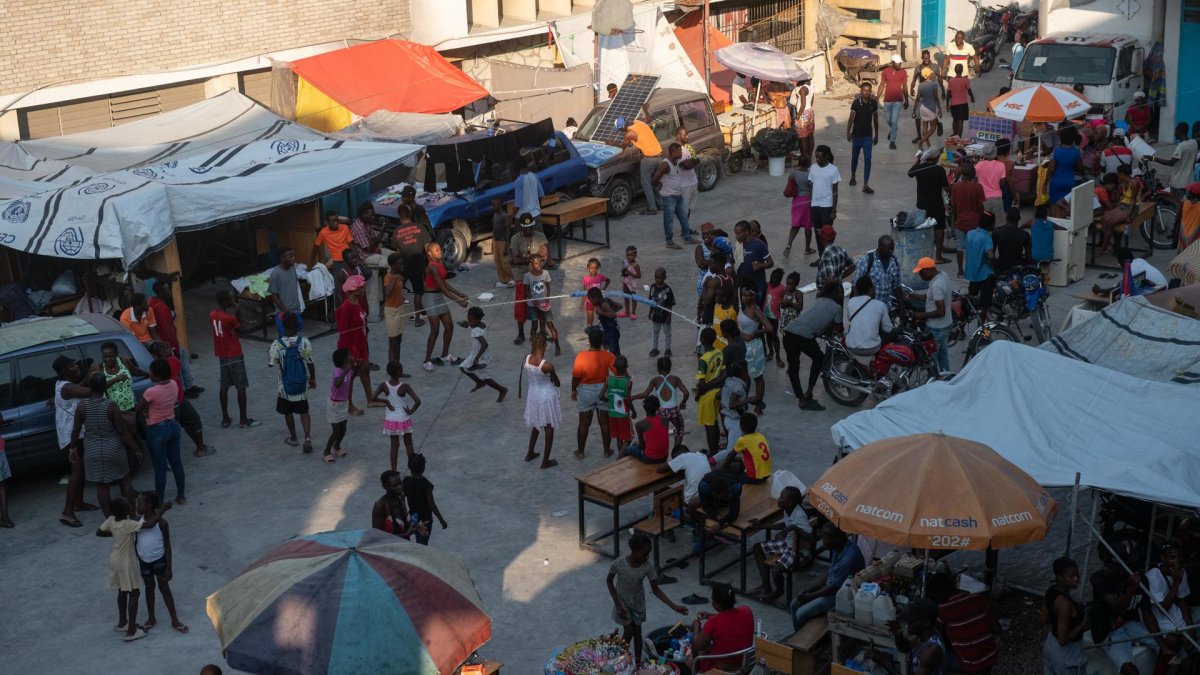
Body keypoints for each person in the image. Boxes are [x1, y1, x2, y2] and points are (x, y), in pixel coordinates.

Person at [96, 496, 171, 643]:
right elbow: (149, 524)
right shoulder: (128, 524)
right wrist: (163, 509)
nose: (131, 505)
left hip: (115, 560)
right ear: (125, 511)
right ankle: (131, 631)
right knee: (134, 593)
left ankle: (122, 623)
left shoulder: (111, 520)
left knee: (122, 590)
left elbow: (98, 532)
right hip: (126, 562)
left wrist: (116, 533)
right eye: (128, 504)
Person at [608, 532, 688, 663]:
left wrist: (674, 606)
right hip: (622, 603)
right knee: (628, 632)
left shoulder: (647, 566)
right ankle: (620, 659)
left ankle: (638, 662)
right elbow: (609, 581)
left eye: (648, 553)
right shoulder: (619, 564)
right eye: (644, 554)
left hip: (638, 603)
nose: (647, 557)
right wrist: (617, 604)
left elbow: (656, 590)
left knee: (637, 633)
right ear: (633, 551)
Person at [72, 372, 137, 516]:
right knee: (125, 481)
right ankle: (132, 515)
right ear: (104, 387)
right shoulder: (111, 406)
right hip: (114, 448)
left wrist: (72, 449)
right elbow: (122, 431)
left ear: (90, 387)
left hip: (92, 451)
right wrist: (136, 448)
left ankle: (110, 521)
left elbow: (76, 431)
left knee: (101, 486)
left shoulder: (82, 407)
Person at [1090, 540, 1157, 675]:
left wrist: (1165, 646)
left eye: (1109, 565)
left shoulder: (1138, 578)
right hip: (1108, 632)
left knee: (1170, 645)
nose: (1104, 568)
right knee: (1130, 671)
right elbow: (1116, 606)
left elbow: (1147, 612)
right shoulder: (1098, 579)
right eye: (1104, 564)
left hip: (1130, 624)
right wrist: (1130, 591)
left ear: (1121, 567)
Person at [790, 524, 865, 630]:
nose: (823, 542)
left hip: (841, 597)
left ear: (836, 539)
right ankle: (797, 635)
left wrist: (810, 596)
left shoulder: (848, 559)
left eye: (826, 538)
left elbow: (833, 588)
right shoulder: (837, 547)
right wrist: (808, 590)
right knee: (794, 604)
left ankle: (802, 641)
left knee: (800, 614)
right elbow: (829, 572)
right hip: (831, 590)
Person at [784, 280, 842, 411]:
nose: (840, 294)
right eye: (839, 292)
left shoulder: (819, 301)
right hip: (803, 336)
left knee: (793, 367)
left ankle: (802, 399)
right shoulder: (837, 308)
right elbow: (839, 329)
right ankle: (809, 391)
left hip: (789, 331)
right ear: (835, 293)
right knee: (819, 358)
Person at [148, 341, 212, 459]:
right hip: (177, 400)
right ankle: (200, 447)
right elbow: (177, 363)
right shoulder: (173, 361)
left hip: (172, 401)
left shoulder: (157, 366)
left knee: (181, 426)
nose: (168, 349)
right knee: (193, 421)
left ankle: (199, 447)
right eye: (165, 348)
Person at [134, 491, 186, 635]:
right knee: (149, 589)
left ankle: (174, 619)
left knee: (164, 588)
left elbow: (168, 546)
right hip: (144, 560)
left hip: (159, 560)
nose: (136, 506)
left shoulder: (162, 523)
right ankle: (151, 618)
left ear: (149, 505)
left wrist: (169, 568)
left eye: (140, 504)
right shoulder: (138, 521)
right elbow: (147, 528)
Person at [750, 486, 813, 602]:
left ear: (790, 502)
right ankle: (765, 585)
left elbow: (810, 537)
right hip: (787, 544)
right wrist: (762, 526)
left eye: (782, 498)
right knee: (757, 548)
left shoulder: (799, 515)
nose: (779, 499)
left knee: (776, 570)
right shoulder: (788, 510)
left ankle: (779, 591)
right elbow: (785, 524)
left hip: (796, 550)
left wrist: (793, 527)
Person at [136, 359, 186, 504]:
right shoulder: (174, 384)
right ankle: (181, 495)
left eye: (151, 371)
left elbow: (139, 408)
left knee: (160, 468)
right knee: (176, 463)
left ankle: (159, 501)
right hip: (172, 425)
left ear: (156, 375)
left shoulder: (151, 391)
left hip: (157, 428)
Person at [54, 357, 96, 528]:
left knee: (80, 471)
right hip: (73, 436)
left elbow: (80, 386)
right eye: (73, 365)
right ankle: (67, 512)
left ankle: (78, 503)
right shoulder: (67, 387)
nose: (77, 366)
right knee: (76, 473)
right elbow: (90, 391)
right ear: (66, 371)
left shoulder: (62, 384)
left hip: (74, 434)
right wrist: (105, 377)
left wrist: (88, 374)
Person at [269, 312, 316, 453]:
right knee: (304, 411)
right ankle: (307, 438)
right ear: (297, 325)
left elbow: (272, 363)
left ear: (282, 326)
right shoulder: (304, 342)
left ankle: (294, 438)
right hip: (301, 383)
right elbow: (310, 362)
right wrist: (312, 378)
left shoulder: (277, 344)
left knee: (287, 412)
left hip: (285, 387)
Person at [210, 290, 256, 429]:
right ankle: (243, 419)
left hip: (222, 355)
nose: (232, 300)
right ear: (225, 302)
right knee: (240, 386)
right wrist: (238, 309)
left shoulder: (212, 314)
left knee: (224, 386)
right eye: (230, 299)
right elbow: (243, 330)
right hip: (234, 354)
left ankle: (225, 418)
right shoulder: (229, 318)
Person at [421, 241, 470, 371]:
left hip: (439, 296)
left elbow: (444, 284)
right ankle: (426, 360)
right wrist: (458, 301)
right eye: (436, 250)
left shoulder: (440, 264)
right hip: (431, 298)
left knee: (449, 326)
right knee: (435, 330)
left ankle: (445, 355)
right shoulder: (431, 266)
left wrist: (460, 294)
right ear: (429, 253)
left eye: (439, 249)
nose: (439, 251)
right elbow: (442, 288)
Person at [867, 597, 947, 675]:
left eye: (913, 621)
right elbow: (904, 647)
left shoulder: (931, 651)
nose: (908, 624)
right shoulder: (923, 636)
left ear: (926, 623)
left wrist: (882, 661)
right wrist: (898, 633)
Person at [148, 280, 199, 399]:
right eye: (167, 289)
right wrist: (172, 347)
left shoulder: (153, 301)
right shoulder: (162, 308)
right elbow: (168, 330)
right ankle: (185, 389)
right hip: (168, 343)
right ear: (161, 292)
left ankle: (188, 385)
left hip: (164, 341)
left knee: (184, 355)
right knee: (177, 364)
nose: (170, 291)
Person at [335, 274, 377, 414]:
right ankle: (349, 405)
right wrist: (351, 354)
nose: (363, 290)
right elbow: (344, 332)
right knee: (350, 375)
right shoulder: (346, 308)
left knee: (365, 369)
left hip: (361, 342)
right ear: (353, 291)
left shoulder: (357, 303)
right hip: (350, 346)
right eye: (361, 288)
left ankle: (370, 399)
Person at [1145, 540, 1194, 658]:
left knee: (1192, 637)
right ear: (1163, 558)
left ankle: (1187, 660)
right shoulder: (1153, 575)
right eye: (1172, 557)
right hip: (1157, 615)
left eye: (1179, 557)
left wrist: (1190, 627)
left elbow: (1183, 601)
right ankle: (1174, 662)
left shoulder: (1181, 572)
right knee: (1174, 640)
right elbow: (1163, 608)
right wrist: (1177, 582)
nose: (1177, 561)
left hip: (1172, 611)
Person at [572, 326, 615, 458]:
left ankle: (580, 452)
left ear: (589, 341)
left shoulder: (581, 356)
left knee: (584, 423)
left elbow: (576, 377)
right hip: (603, 389)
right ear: (602, 341)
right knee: (604, 423)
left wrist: (574, 391)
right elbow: (617, 370)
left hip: (585, 391)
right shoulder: (608, 356)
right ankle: (607, 451)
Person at [690, 584, 755, 671]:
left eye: (713, 600)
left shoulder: (713, 623)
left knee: (690, 658)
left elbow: (698, 645)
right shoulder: (746, 611)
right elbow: (730, 617)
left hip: (720, 669)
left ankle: (698, 671)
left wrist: (696, 627)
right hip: (744, 664)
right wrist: (711, 615)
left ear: (717, 605)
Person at [391, 193, 434, 326]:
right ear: (410, 214)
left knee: (401, 289)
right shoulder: (419, 228)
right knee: (418, 292)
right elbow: (428, 248)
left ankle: (398, 316)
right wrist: (431, 263)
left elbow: (398, 253)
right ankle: (417, 319)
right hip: (417, 265)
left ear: (399, 216)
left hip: (404, 265)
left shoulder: (396, 232)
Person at [1043, 556, 1090, 675]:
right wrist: (1082, 623)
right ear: (1059, 576)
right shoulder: (1064, 604)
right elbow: (1062, 640)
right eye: (1071, 576)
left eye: (1077, 574)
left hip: (1050, 645)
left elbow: (1043, 618)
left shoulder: (1050, 591)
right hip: (1069, 654)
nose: (1076, 578)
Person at [521, 331, 562, 469]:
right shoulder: (547, 365)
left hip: (533, 394)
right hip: (546, 396)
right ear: (544, 345)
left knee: (536, 424)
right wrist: (552, 377)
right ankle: (545, 461)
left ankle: (530, 452)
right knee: (549, 428)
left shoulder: (526, 358)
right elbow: (557, 383)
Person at [370, 362, 420, 470]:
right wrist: (410, 411)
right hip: (403, 418)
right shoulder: (404, 386)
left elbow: (372, 398)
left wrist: (386, 402)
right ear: (399, 372)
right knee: (409, 444)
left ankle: (394, 470)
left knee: (394, 446)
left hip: (391, 419)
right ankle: (414, 469)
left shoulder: (384, 385)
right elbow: (417, 401)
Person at [908, 258, 952, 373]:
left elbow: (940, 311)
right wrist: (913, 295)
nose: (920, 276)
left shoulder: (936, 285)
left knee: (931, 359)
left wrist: (921, 315)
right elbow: (930, 297)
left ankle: (933, 381)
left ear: (928, 270)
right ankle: (946, 378)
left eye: (921, 273)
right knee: (943, 356)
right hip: (945, 325)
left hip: (936, 328)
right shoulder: (943, 276)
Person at [615, 113, 663, 215]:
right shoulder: (638, 122)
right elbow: (649, 118)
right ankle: (661, 204)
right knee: (654, 181)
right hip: (659, 156)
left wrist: (610, 143)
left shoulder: (629, 133)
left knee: (646, 183)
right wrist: (645, 110)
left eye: (620, 130)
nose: (620, 132)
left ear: (624, 126)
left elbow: (622, 147)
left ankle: (652, 208)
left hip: (649, 159)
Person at [652, 143, 698, 249]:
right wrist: (657, 187)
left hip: (678, 194)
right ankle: (669, 242)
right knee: (669, 220)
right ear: (673, 152)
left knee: (683, 217)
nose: (681, 153)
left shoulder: (675, 161)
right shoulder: (665, 164)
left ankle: (687, 237)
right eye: (679, 151)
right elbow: (655, 178)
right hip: (669, 196)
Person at [910, 147, 952, 262]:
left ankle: (923, 255)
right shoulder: (939, 170)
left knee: (923, 227)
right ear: (936, 158)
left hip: (922, 203)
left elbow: (910, 173)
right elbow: (947, 189)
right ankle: (938, 256)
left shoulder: (919, 168)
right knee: (939, 228)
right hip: (936, 203)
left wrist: (919, 160)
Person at [457, 306, 507, 401]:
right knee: (463, 367)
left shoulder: (475, 331)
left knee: (486, 378)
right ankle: (479, 382)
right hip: (477, 354)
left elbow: (485, 344)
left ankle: (502, 390)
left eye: (471, 321)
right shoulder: (483, 323)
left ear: (477, 320)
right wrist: (467, 324)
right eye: (468, 319)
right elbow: (476, 324)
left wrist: (476, 358)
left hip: (480, 356)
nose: (470, 322)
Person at [844, 276, 893, 357]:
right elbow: (887, 329)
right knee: (895, 332)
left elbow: (850, 319)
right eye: (874, 288)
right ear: (870, 289)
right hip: (871, 348)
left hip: (850, 346)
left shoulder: (851, 302)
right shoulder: (880, 305)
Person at [694, 327, 726, 455]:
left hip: (707, 397)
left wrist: (698, 395)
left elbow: (702, 385)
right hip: (718, 392)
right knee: (715, 422)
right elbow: (724, 374)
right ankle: (716, 450)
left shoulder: (702, 360)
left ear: (701, 340)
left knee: (709, 427)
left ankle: (713, 454)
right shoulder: (719, 352)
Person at [403, 453, 446, 546]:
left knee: (417, 537)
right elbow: (431, 505)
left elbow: (402, 498)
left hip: (414, 516)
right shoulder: (426, 485)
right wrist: (441, 520)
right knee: (422, 544)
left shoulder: (406, 481)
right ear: (423, 468)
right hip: (425, 519)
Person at [951, 164, 986, 277]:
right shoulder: (977, 187)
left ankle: (960, 270)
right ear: (973, 174)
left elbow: (953, 206)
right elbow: (980, 206)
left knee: (960, 247)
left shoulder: (955, 187)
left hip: (960, 221)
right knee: (974, 247)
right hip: (974, 222)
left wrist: (954, 221)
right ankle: (974, 268)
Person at [846, 81, 880, 194]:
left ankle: (865, 184)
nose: (866, 93)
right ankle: (853, 176)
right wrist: (848, 133)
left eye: (868, 91)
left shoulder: (873, 103)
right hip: (856, 136)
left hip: (867, 137)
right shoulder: (856, 103)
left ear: (870, 92)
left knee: (868, 160)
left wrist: (877, 135)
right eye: (864, 90)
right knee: (854, 158)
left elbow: (875, 120)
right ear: (860, 91)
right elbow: (851, 119)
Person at [524, 254, 561, 355]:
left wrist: (548, 298)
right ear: (531, 264)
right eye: (535, 263)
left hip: (544, 304)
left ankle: (557, 346)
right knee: (534, 326)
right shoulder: (527, 276)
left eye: (539, 262)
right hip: (532, 304)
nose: (538, 265)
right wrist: (532, 299)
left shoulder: (545, 273)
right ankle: (533, 348)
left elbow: (548, 287)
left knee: (550, 324)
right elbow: (526, 291)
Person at [854, 234, 903, 309]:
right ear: (879, 247)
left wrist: (901, 306)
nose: (891, 252)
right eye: (888, 250)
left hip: (886, 307)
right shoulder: (866, 261)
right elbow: (856, 286)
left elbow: (896, 285)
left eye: (892, 249)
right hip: (869, 308)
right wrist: (859, 308)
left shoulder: (894, 262)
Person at [372, 470, 424, 539]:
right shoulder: (380, 505)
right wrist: (406, 534)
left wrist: (417, 527)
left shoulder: (401, 496)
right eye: (394, 485)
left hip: (404, 545)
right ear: (385, 487)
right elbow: (377, 535)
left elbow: (404, 524)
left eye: (400, 483)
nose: (399, 487)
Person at [964, 210, 997, 321]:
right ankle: (982, 327)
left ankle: (962, 326)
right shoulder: (987, 237)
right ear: (989, 225)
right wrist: (995, 268)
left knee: (970, 300)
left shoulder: (969, 233)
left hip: (972, 272)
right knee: (985, 304)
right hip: (984, 274)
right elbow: (991, 256)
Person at [321, 349, 353, 463]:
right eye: (349, 355)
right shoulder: (338, 371)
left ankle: (337, 446)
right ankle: (326, 451)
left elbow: (351, 378)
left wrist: (356, 366)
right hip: (334, 404)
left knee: (343, 428)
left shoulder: (348, 370)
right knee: (336, 430)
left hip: (344, 403)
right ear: (344, 360)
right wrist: (347, 370)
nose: (352, 355)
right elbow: (337, 383)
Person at [809, 145, 841, 255]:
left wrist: (834, 210)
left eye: (820, 157)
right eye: (816, 157)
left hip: (827, 207)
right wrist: (810, 204)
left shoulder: (833, 170)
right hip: (815, 205)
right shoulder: (813, 168)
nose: (817, 160)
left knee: (827, 234)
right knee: (817, 233)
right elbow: (811, 187)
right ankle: (821, 256)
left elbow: (835, 191)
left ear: (827, 157)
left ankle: (829, 256)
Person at [380, 253, 409, 371]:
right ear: (392, 265)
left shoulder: (398, 275)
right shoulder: (389, 277)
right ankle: (393, 369)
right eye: (400, 264)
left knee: (399, 340)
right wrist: (396, 278)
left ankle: (397, 366)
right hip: (391, 311)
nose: (402, 266)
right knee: (393, 343)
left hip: (400, 308)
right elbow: (387, 293)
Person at [716, 360, 749, 463]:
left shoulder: (728, 380)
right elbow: (732, 404)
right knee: (730, 452)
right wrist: (749, 400)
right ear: (743, 372)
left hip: (727, 418)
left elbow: (718, 396)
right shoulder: (738, 386)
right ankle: (710, 461)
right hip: (734, 421)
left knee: (736, 446)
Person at [1153, 122, 1198, 197]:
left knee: (1176, 204)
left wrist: (1153, 158)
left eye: (1176, 131)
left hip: (1178, 183)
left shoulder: (1181, 146)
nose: (1175, 133)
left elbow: (1171, 162)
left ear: (1180, 131)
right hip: (1189, 181)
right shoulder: (1194, 143)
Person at [733, 220, 773, 302]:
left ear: (746, 232)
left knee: (757, 311)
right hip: (744, 288)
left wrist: (761, 265)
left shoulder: (759, 245)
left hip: (758, 287)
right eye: (735, 234)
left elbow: (771, 263)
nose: (736, 236)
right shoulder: (738, 245)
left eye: (738, 233)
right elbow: (738, 267)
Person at [602, 355, 635, 456]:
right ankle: (620, 458)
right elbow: (628, 401)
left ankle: (621, 456)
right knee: (629, 437)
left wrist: (609, 400)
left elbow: (600, 396)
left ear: (614, 366)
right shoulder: (628, 382)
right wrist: (634, 411)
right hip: (623, 414)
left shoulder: (609, 380)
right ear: (627, 367)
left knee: (619, 437)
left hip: (612, 413)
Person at [267, 247, 305, 336]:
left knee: (294, 335)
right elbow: (274, 295)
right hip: (284, 313)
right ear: (282, 259)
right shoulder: (276, 273)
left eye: (293, 256)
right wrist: (286, 312)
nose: (293, 258)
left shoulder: (292, 268)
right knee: (284, 337)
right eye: (290, 256)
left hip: (296, 310)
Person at [725, 411, 771, 483]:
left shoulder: (743, 440)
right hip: (767, 475)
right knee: (738, 461)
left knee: (731, 467)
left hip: (755, 477)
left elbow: (730, 456)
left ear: (741, 427)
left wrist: (722, 467)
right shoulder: (761, 436)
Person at [623, 396, 670, 464]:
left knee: (627, 449)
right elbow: (657, 436)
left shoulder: (640, 424)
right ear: (658, 407)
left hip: (650, 458)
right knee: (635, 445)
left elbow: (641, 446)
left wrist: (637, 445)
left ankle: (618, 465)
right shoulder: (665, 420)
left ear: (645, 408)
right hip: (664, 457)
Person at [784, 154, 814, 257]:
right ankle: (807, 248)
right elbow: (812, 189)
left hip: (796, 201)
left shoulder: (793, 172)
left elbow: (790, 184)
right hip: (807, 201)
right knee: (808, 227)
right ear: (808, 163)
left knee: (795, 226)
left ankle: (789, 244)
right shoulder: (810, 174)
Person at [1046, 125, 1084, 206]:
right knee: (1067, 206)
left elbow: (1051, 169)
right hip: (1069, 181)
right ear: (1072, 139)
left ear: (1061, 139)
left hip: (1056, 181)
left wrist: (1044, 184)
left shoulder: (1055, 151)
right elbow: (1079, 167)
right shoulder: (1076, 151)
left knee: (1054, 205)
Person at [311, 211, 353, 285]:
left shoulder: (345, 228)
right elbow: (315, 247)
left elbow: (351, 244)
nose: (336, 223)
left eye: (337, 220)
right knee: (337, 283)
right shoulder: (323, 232)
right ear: (327, 223)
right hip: (336, 260)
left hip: (346, 259)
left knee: (351, 280)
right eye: (333, 221)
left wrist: (355, 257)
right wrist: (310, 263)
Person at [909, 52, 943, 141]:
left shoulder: (935, 67)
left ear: (929, 57)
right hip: (922, 92)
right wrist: (911, 88)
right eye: (924, 58)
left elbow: (939, 78)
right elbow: (914, 79)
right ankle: (919, 136)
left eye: (927, 58)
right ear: (922, 58)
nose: (926, 59)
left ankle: (938, 123)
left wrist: (943, 90)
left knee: (932, 113)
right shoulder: (918, 68)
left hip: (932, 93)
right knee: (917, 115)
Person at [348, 201, 392, 268]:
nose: (373, 217)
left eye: (373, 215)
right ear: (363, 214)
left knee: (394, 256)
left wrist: (383, 229)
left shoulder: (367, 222)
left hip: (373, 249)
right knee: (390, 263)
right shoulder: (359, 228)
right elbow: (369, 249)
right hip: (364, 256)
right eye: (370, 215)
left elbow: (375, 240)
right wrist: (382, 230)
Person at [880, 54, 910, 149]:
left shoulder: (903, 72)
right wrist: (877, 98)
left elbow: (905, 86)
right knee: (888, 120)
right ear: (892, 63)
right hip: (887, 100)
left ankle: (893, 141)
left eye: (900, 63)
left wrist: (907, 100)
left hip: (898, 100)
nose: (899, 64)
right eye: (897, 63)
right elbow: (882, 84)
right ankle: (894, 128)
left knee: (894, 120)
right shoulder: (885, 72)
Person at [993, 206, 1032, 273]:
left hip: (1002, 267)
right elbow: (1029, 257)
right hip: (1017, 269)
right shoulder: (1025, 234)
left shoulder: (997, 233)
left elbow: (991, 255)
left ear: (1006, 218)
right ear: (1019, 218)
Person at [647, 267, 675, 357]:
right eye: (656, 277)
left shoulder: (668, 290)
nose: (658, 279)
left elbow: (670, 304)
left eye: (660, 277)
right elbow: (651, 301)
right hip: (656, 315)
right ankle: (655, 348)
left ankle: (667, 349)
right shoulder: (652, 287)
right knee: (655, 332)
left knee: (667, 333)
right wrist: (650, 312)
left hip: (665, 315)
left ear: (665, 277)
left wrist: (669, 316)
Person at [489, 197, 516, 288]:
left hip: (502, 241)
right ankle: (502, 280)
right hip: (496, 240)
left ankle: (510, 279)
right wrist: (493, 242)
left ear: (500, 205)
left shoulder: (504, 215)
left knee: (504, 261)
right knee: (497, 261)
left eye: (494, 204)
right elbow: (494, 228)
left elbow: (507, 230)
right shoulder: (494, 214)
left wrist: (506, 245)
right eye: (492, 204)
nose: (492, 206)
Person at [975, 144, 1007, 217]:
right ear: (995, 153)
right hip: (997, 197)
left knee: (983, 223)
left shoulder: (978, 165)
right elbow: (1002, 184)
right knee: (998, 223)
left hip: (982, 198)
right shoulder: (1001, 165)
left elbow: (976, 181)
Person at [675, 127, 700, 216]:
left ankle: (686, 228)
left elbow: (697, 160)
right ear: (678, 136)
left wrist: (690, 163)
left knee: (689, 208)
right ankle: (685, 229)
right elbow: (689, 165)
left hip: (692, 182)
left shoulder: (688, 146)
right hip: (684, 185)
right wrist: (690, 162)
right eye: (684, 135)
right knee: (684, 209)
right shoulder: (676, 149)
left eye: (687, 134)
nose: (687, 137)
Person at [513, 155, 544, 228]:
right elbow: (541, 195)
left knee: (517, 238)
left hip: (523, 217)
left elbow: (518, 205)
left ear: (516, 167)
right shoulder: (534, 176)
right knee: (539, 237)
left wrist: (510, 217)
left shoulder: (518, 181)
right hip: (536, 215)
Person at [589, 287, 622, 356]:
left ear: (595, 298)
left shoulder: (603, 304)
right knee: (589, 330)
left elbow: (613, 314)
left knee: (614, 352)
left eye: (590, 300)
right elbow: (619, 306)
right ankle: (605, 345)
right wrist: (608, 313)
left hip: (611, 332)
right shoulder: (606, 300)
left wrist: (601, 313)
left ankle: (618, 364)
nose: (590, 302)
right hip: (607, 330)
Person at [946, 64, 974, 138]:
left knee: (955, 119)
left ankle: (954, 134)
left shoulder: (951, 81)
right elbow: (969, 90)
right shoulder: (966, 80)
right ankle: (959, 137)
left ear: (955, 70)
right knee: (960, 121)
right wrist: (972, 97)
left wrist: (947, 104)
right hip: (963, 104)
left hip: (953, 104)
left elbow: (948, 93)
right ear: (962, 71)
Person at [581, 258, 610, 327]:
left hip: (599, 301)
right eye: (591, 268)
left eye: (595, 268)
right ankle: (589, 329)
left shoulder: (600, 277)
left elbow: (608, 280)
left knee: (601, 316)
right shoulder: (586, 279)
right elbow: (584, 292)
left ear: (598, 268)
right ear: (588, 267)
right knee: (590, 318)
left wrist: (603, 289)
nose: (593, 270)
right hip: (589, 302)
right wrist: (582, 303)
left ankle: (602, 329)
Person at [791, 77, 815, 157]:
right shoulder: (810, 87)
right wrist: (809, 109)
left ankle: (804, 157)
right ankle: (809, 156)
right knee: (810, 135)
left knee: (803, 138)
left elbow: (803, 104)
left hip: (803, 113)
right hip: (809, 112)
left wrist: (798, 116)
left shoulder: (803, 89)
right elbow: (812, 99)